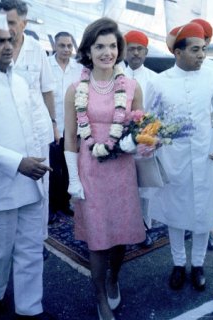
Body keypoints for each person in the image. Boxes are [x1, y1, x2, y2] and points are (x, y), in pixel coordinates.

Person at [64, 17, 145, 320]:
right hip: (90, 171)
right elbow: (70, 138)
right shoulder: (75, 89)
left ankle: (114, 278)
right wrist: (73, 180)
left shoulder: (132, 87)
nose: (107, 52)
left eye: (112, 46)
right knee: (98, 239)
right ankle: (99, 296)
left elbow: (140, 130)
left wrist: (140, 144)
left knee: (120, 236)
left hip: (121, 171)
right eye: (100, 46)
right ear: (88, 50)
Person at [145, 22, 213, 291]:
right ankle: (179, 264)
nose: (201, 55)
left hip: (206, 156)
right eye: (195, 50)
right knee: (176, 213)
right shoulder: (159, 82)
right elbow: (151, 121)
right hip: (174, 159)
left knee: (203, 212)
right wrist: (150, 140)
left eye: (203, 49)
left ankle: (199, 263)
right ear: (177, 53)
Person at [0, 14, 54, 320]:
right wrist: (18, 163)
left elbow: (39, 128)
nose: (8, 46)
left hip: (32, 180)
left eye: (9, 40)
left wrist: (41, 164)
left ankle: (30, 309)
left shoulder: (23, 80)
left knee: (29, 248)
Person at [0, 0, 58, 242]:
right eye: (3, 22)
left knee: (41, 184)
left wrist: (54, 124)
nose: (7, 28)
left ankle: (39, 238)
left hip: (37, 129)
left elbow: (47, 90)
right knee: (8, 180)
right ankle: (8, 238)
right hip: (5, 129)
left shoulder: (36, 49)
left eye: (11, 22)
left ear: (23, 23)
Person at [191, 18, 213, 251]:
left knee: (210, 190)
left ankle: (208, 233)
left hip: (212, 139)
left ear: (208, 41)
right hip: (187, 139)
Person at [123, 30, 156, 248]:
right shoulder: (114, 75)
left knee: (145, 189)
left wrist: (151, 136)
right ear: (124, 50)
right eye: (131, 48)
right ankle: (122, 229)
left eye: (139, 49)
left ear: (146, 52)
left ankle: (144, 227)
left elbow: (158, 111)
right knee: (121, 188)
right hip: (119, 142)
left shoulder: (155, 79)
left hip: (146, 142)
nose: (135, 53)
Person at [48, 32, 82, 222]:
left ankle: (64, 203)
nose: (66, 50)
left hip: (71, 128)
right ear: (55, 46)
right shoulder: (46, 65)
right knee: (53, 169)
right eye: (62, 45)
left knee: (70, 167)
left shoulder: (78, 69)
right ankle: (52, 207)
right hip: (51, 125)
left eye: (69, 46)